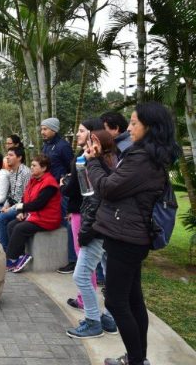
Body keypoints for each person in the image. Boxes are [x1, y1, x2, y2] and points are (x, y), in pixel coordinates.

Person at [85, 102, 179, 365]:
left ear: (150, 127)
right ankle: (137, 358)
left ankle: (136, 361)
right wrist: (101, 161)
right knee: (134, 299)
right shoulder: (148, 156)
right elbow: (118, 183)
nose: (129, 127)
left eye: (134, 122)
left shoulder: (142, 158)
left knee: (116, 301)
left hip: (126, 238)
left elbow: (108, 189)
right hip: (130, 235)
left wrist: (92, 162)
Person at [66, 129, 118, 339]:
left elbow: (95, 200)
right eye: (88, 141)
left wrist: (86, 232)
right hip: (103, 228)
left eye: (92, 141)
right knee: (109, 273)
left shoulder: (106, 166)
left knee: (81, 275)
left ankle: (93, 321)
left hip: (97, 229)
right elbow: (84, 191)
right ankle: (109, 317)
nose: (88, 145)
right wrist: (82, 162)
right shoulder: (103, 163)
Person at [61, 118, 104, 310]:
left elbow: (80, 187)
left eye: (81, 130)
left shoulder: (90, 157)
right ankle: (84, 296)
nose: (77, 134)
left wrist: (64, 185)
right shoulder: (88, 155)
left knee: (84, 258)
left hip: (83, 211)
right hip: (80, 210)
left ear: (92, 133)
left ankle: (85, 299)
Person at [5, 154, 62, 273]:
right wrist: (21, 211)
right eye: (31, 165)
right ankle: (19, 257)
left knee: (20, 228)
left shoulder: (49, 183)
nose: (31, 167)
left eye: (34, 165)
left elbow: (39, 204)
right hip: (35, 216)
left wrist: (22, 207)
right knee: (11, 225)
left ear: (44, 168)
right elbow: (25, 198)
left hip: (47, 219)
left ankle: (12, 258)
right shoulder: (33, 180)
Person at [40, 117, 76, 274]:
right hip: (49, 189)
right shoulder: (46, 146)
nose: (42, 132)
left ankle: (72, 260)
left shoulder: (63, 146)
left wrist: (64, 183)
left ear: (54, 130)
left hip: (62, 191)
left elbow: (71, 168)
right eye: (41, 129)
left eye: (45, 129)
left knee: (68, 223)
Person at [0, 147, 31, 251]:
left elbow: (26, 197)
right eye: (7, 155)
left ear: (19, 158)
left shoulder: (26, 173)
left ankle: (4, 249)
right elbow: (10, 195)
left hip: (22, 207)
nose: (7, 157)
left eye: (11, 155)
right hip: (13, 204)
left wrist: (10, 209)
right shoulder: (11, 172)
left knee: (1, 218)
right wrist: (6, 206)